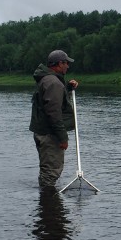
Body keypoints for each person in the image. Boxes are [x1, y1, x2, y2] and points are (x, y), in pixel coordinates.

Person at [29, 49, 79, 189]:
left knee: (47, 171)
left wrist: (67, 88)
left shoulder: (48, 80)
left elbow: (53, 100)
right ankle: (48, 205)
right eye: (66, 63)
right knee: (51, 173)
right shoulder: (53, 83)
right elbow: (54, 113)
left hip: (43, 132)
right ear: (59, 64)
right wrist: (63, 138)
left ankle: (46, 202)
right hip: (49, 135)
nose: (68, 66)